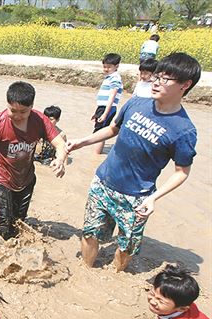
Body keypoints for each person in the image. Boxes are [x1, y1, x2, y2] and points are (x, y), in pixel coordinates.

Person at [66, 53, 200, 272]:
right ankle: (86, 273)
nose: (156, 82)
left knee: (126, 246)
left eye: (165, 79)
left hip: (137, 197)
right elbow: (113, 129)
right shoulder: (137, 103)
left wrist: (154, 198)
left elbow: (182, 172)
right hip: (103, 182)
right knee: (90, 234)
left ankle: (116, 277)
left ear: (185, 85)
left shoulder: (184, 130)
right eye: (157, 76)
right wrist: (83, 141)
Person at [0, 81, 66, 240]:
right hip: (2, 179)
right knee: (4, 226)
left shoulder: (39, 120)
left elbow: (60, 143)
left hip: (26, 179)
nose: (17, 116)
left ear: (32, 106)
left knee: (19, 222)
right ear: (7, 104)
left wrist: (60, 159)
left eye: (23, 112)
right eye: (13, 110)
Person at [121, 265, 211, 319]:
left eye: (161, 301)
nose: (152, 301)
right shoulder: (183, 301)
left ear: (182, 308)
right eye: (152, 294)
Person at [91, 53, 123, 155]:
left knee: (100, 132)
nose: (106, 69)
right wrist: (96, 112)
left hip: (107, 108)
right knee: (100, 129)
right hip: (103, 108)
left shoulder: (115, 78)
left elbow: (112, 97)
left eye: (109, 67)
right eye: (104, 66)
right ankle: (97, 154)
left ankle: (96, 154)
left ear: (116, 66)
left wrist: (105, 113)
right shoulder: (109, 77)